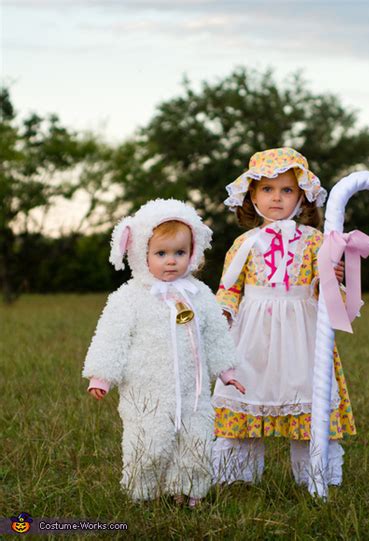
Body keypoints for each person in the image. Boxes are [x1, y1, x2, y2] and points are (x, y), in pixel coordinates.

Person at [83, 199, 245, 507]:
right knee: (149, 440)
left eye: (179, 253)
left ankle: (188, 490)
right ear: (141, 254)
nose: (171, 261)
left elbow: (215, 334)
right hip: (147, 387)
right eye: (161, 253)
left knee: (195, 439)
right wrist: (101, 375)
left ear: (193, 253)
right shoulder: (129, 298)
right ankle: (143, 492)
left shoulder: (199, 295)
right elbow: (110, 336)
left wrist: (227, 370)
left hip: (192, 390)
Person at [212, 148, 355, 488]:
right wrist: (220, 317)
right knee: (246, 393)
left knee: (307, 396)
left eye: (287, 190)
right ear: (252, 196)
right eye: (267, 189)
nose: (277, 197)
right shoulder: (244, 243)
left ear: (302, 197)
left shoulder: (315, 242)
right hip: (252, 334)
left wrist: (330, 278)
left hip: (301, 333)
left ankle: (316, 476)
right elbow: (230, 287)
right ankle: (235, 477)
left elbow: (325, 293)